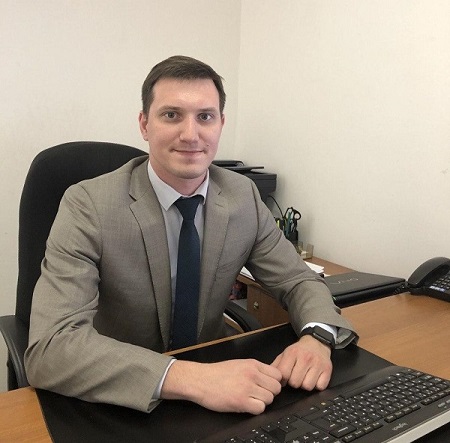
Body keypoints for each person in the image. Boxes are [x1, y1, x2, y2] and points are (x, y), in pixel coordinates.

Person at [25, 55, 357, 415]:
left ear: (221, 124)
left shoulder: (242, 196)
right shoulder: (89, 205)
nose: (190, 134)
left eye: (205, 117)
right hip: (122, 395)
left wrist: (317, 336)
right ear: (144, 124)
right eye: (172, 115)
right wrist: (191, 379)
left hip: (218, 385)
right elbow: (51, 347)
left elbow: (297, 280)